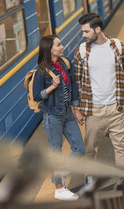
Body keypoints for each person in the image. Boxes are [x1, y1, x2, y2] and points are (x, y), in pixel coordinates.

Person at [74, 13, 124, 189]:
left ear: (97, 29)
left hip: (117, 108)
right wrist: (77, 109)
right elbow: (77, 82)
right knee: (90, 149)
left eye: (86, 31)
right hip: (94, 110)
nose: (83, 35)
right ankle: (89, 176)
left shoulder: (119, 47)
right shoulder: (82, 51)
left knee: (121, 147)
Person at [32, 35, 85, 201]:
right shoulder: (41, 71)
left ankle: (60, 172)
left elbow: (74, 86)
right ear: (50, 50)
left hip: (68, 113)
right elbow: (36, 96)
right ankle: (59, 189)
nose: (62, 47)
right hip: (52, 116)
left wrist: (76, 109)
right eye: (58, 45)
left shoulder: (65, 62)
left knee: (79, 149)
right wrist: (52, 87)